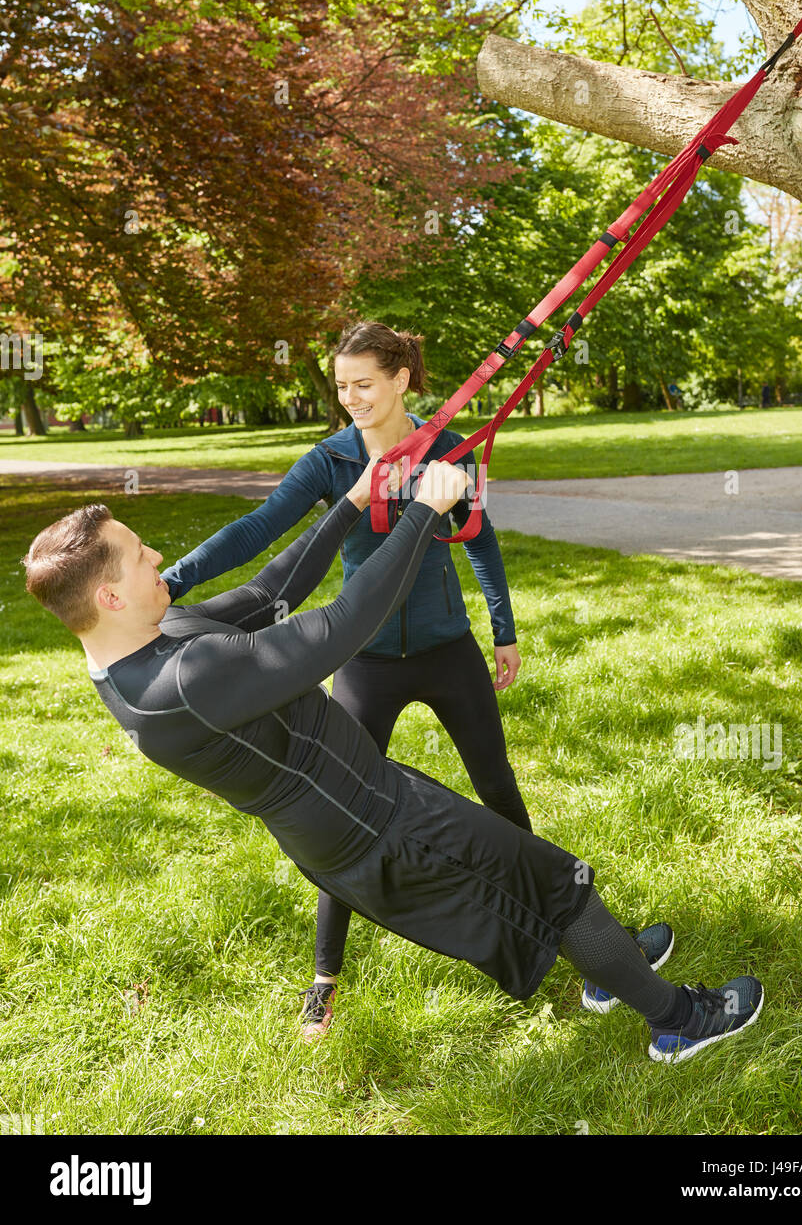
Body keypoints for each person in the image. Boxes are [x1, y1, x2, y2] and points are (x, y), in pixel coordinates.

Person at [22, 460, 764, 1067]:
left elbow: (270, 594)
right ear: (111, 593)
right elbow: (341, 627)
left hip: (369, 798)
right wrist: (425, 511)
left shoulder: (145, 641)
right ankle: (680, 1022)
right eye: (139, 553)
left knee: (536, 875)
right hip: (380, 832)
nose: (157, 556)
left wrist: (351, 500)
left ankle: (612, 971)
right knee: (560, 885)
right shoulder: (180, 683)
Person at [161, 322, 532, 1038]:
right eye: (341, 386)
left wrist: (503, 628)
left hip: (448, 648)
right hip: (361, 660)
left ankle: (551, 915)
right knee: (340, 816)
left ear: (401, 380)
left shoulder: (447, 450)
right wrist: (173, 580)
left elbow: (479, 538)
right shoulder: (330, 460)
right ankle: (326, 977)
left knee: (495, 784)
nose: (351, 398)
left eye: (365, 384)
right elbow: (259, 529)